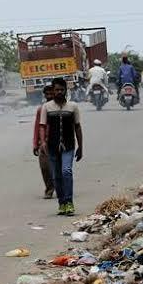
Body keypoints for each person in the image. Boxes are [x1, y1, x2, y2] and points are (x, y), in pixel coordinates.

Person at [39, 77, 83, 216]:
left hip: (68, 146)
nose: (59, 92)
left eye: (61, 89)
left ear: (65, 90)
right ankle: (62, 203)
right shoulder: (46, 107)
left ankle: (69, 202)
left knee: (66, 171)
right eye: (56, 89)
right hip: (52, 146)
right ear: (53, 91)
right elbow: (42, 126)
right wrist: (43, 143)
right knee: (56, 176)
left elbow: (77, 127)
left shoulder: (73, 107)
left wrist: (80, 146)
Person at [33, 85, 55, 199]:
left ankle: (61, 187)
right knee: (45, 167)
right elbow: (37, 127)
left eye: (52, 94)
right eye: (47, 94)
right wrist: (35, 144)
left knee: (60, 168)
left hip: (58, 142)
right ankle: (49, 188)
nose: (50, 96)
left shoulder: (61, 107)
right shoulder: (41, 110)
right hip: (44, 143)